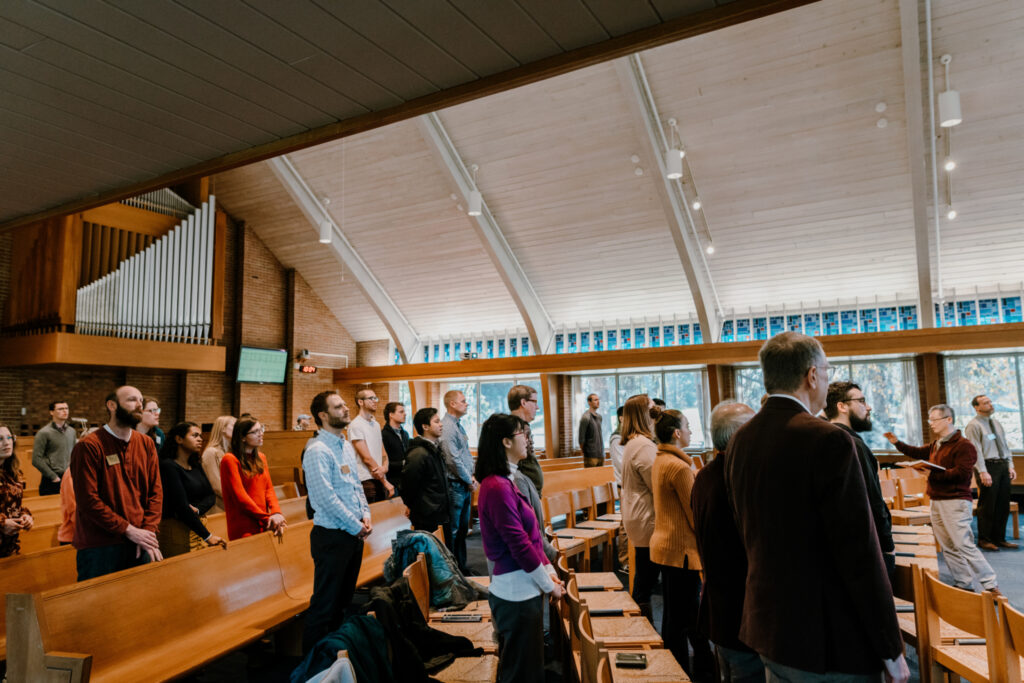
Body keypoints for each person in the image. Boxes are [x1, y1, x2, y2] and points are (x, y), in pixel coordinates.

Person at [725, 332, 907, 682]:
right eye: (826, 370)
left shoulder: (740, 439)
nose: (825, 378)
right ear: (811, 375)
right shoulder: (829, 439)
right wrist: (889, 644)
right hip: (828, 639)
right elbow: (858, 551)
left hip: (769, 625)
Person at [476, 413, 564, 683]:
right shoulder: (495, 487)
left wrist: (549, 570)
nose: (526, 439)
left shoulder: (507, 482)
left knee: (530, 667)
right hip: (515, 593)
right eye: (520, 434)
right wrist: (549, 585)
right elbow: (520, 546)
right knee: (520, 672)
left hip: (525, 587)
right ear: (505, 442)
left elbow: (533, 536)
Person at [886, 405, 1001, 593]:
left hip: (955, 501)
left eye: (934, 420)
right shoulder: (937, 444)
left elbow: (962, 474)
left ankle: (990, 584)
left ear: (948, 420)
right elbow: (916, 452)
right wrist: (896, 442)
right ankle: (963, 582)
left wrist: (929, 474)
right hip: (937, 499)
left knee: (963, 544)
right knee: (948, 546)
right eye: (929, 420)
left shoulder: (964, 445)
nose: (931, 424)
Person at [692, 401, 760, 683]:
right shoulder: (737, 479)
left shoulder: (706, 474)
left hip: (721, 608)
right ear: (740, 434)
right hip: (741, 612)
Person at [302, 391, 372, 653]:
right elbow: (325, 499)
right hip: (332, 537)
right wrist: (356, 526)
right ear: (323, 415)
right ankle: (312, 666)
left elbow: (355, 486)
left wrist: (366, 514)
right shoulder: (317, 450)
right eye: (339, 406)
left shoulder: (343, 445)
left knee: (343, 603)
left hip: (352, 535)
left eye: (344, 405)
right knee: (324, 605)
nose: (346, 409)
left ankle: (335, 657)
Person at [71, 386, 163, 581]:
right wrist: (129, 530)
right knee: (97, 608)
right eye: (132, 400)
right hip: (100, 546)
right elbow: (88, 500)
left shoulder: (146, 444)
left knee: (140, 604)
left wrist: (147, 530)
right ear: (112, 405)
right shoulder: (89, 446)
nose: (139, 405)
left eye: (141, 401)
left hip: (140, 541)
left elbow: (156, 493)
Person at [650, 410, 714, 681]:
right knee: (690, 620)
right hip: (682, 551)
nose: (690, 431)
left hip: (667, 546)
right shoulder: (678, 467)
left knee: (675, 617)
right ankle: (695, 673)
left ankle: (677, 669)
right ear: (676, 433)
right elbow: (694, 514)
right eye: (687, 427)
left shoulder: (661, 459)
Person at [825, 382, 896, 581]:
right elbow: (872, 499)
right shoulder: (852, 444)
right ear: (842, 406)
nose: (869, 407)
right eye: (862, 401)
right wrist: (888, 546)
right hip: (866, 545)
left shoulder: (824, 438)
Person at [157, 422, 226, 557]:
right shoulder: (168, 466)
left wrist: (198, 509)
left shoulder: (195, 465)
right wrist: (207, 536)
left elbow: (211, 496)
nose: (200, 439)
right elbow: (180, 506)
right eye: (195, 435)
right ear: (179, 439)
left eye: (200, 435)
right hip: (176, 529)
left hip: (197, 525)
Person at [619, 393, 660, 617]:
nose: (657, 415)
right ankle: (642, 623)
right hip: (646, 517)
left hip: (637, 514)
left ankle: (641, 620)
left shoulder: (636, 442)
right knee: (645, 580)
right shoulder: (643, 445)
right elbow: (657, 484)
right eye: (652, 410)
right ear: (643, 415)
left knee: (644, 576)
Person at [965, 394, 1017, 550]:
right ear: (977, 407)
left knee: (1002, 504)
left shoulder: (996, 423)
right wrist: (982, 471)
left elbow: (1005, 446)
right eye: (985, 403)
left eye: (990, 402)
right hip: (988, 466)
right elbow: (976, 451)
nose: (990, 404)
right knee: (988, 504)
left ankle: (999, 538)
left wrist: (1010, 465)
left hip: (1002, 465)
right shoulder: (973, 425)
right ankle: (984, 539)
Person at [220, 418, 286, 541]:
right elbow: (240, 497)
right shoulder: (229, 459)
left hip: (263, 521)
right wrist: (267, 518)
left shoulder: (261, 458)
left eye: (261, 429)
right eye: (255, 432)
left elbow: (269, 489)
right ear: (242, 437)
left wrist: (276, 513)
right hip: (244, 525)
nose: (261, 433)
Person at [401, 408, 452, 539]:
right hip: (428, 515)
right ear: (425, 426)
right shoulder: (419, 453)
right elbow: (408, 485)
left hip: (439, 512)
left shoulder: (433, 448)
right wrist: (413, 506)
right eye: (436, 421)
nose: (441, 424)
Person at [441, 389, 476, 574]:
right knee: (454, 532)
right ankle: (453, 571)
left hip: (463, 483)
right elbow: (452, 458)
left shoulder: (458, 426)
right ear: (452, 404)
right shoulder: (447, 426)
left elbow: (465, 454)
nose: (467, 403)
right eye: (463, 401)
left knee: (462, 531)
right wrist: (467, 478)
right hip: (455, 485)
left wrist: (472, 475)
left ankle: (462, 567)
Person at [348, 388, 393, 502]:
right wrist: (385, 481)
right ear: (360, 402)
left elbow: (382, 451)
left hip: (380, 476)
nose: (375, 401)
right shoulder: (356, 425)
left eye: (375, 398)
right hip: (366, 479)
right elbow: (366, 458)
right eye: (371, 398)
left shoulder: (376, 424)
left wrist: (385, 467)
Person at [1, 424, 33, 557]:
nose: (7, 442)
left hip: (8, 545)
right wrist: (2, 523)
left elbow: (13, 505)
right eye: (0, 439)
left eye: (9, 437)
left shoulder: (12, 472)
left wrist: (25, 516)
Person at [32, 400, 76, 496]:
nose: (65, 411)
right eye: (60, 409)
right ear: (51, 412)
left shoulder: (72, 431)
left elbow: (73, 454)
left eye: (66, 408)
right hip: (51, 480)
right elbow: (36, 459)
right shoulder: (44, 433)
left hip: (68, 477)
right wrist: (53, 477)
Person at [508, 384, 543, 494]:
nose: (537, 407)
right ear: (523, 403)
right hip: (522, 487)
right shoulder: (514, 428)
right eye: (534, 402)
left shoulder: (523, 426)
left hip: (529, 487)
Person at [201, 415, 236, 513]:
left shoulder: (228, 452)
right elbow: (216, 485)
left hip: (230, 504)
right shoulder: (211, 452)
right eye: (234, 426)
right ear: (223, 429)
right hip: (218, 506)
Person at [381, 401, 409, 493]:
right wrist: (402, 463)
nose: (405, 414)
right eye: (401, 412)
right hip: (392, 481)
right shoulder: (383, 435)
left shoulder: (405, 434)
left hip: (406, 480)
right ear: (391, 415)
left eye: (404, 412)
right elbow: (383, 461)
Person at [578, 393, 604, 467]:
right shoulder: (585, 417)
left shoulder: (599, 417)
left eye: (598, 400)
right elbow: (581, 438)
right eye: (595, 400)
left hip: (600, 454)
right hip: (590, 455)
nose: (598, 402)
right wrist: (584, 452)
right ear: (589, 402)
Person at [609, 406, 625, 484]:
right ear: (621, 419)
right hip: (622, 484)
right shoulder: (617, 439)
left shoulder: (628, 436)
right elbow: (621, 466)